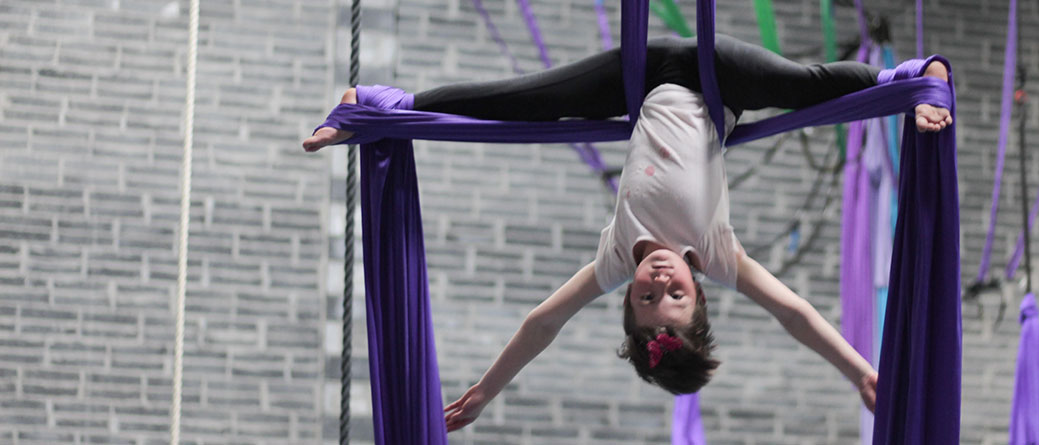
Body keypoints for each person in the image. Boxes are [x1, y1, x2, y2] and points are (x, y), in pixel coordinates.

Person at [304, 34, 952, 432]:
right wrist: (861, 372)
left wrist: (484, 390)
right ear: (698, 291)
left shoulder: (615, 257)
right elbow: (794, 312)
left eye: (647, 298)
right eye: (675, 296)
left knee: (520, 102)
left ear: (627, 296)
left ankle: (373, 108)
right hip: (718, 75)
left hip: (637, 78)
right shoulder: (719, 253)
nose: (660, 282)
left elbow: (540, 323)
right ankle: (918, 82)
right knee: (804, 88)